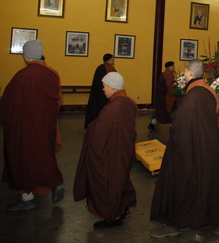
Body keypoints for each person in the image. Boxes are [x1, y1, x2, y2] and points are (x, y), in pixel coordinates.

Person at [150, 59, 219, 238]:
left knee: (180, 180)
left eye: (184, 72)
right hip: (209, 145)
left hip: (191, 145)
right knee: (211, 181)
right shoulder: (208, 90)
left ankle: (178, 222)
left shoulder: (193, 96)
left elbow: (180, 123)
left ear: (189, 73)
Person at [0, 39, 65, 211]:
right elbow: (58, 99)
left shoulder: (22, 76)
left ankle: (27, 198)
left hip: (25, 126)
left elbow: (8, 102)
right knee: (44, 154)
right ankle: (54, 182)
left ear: (26, 56)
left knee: (24, 159)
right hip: (46, 123)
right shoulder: (52, 73)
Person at [73, 72, 137, 229]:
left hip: (111, 153)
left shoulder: (114, 107)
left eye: (104, 86)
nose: (103, 90)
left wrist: (91, 128)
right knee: (121, 179)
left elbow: (99, 132)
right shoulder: (128, 101)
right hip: (123, 150)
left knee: (109, 182)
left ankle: (113, 216)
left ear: (111, 87)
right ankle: (122, 209)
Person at [85, 53, 116, 128]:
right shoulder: (108, 69)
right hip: (103, 94)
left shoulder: (100, 67)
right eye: (112, 59)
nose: (113, 61)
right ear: (109, 60)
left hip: (97, 93)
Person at [148, 61, 177, 132]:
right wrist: (176, 86)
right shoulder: (168, 75)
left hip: (162, 97)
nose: (173, 68)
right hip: (167, 98)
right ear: (170, 67)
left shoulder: (164, 74)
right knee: (170, 113)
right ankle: (171, 127)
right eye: (173, 66)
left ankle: (152, 125)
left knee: (159, 114)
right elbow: (170, 87)